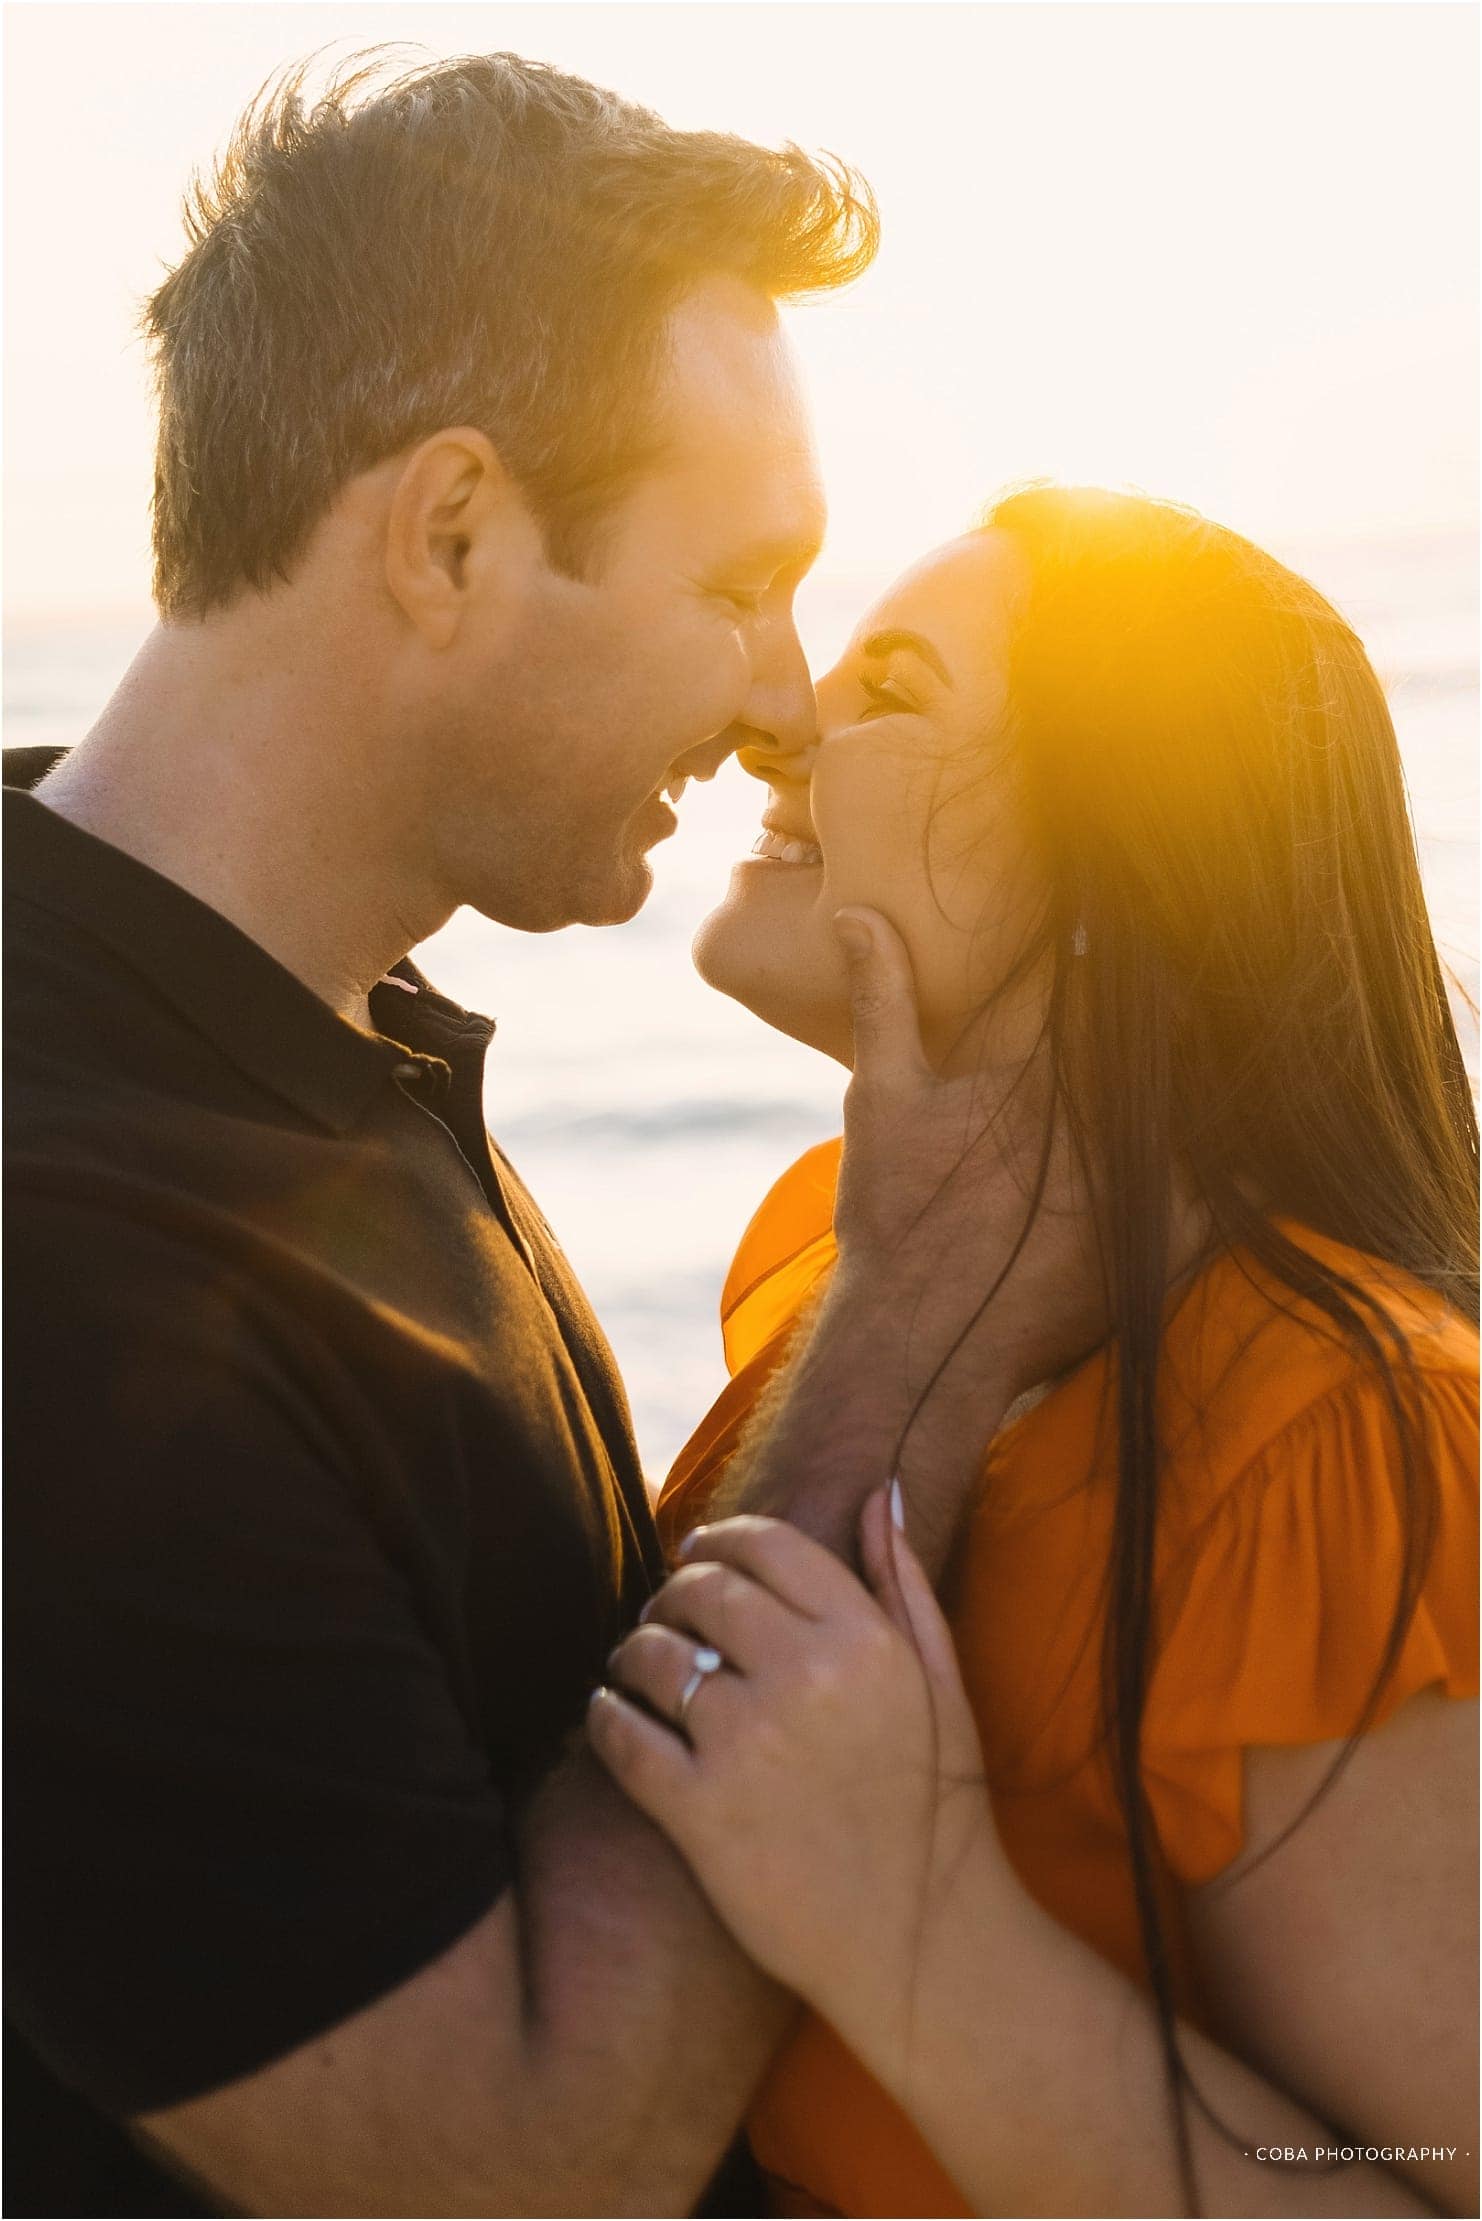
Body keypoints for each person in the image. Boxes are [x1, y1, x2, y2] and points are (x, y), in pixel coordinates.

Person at [3, 57, 1137, 2219]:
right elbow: (512, 2170)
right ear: (448, 534)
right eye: (739, 587)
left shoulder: (306, 1027)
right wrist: (922, 1304)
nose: (787, 700)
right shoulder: (57, 1253)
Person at [591, 487, 1481, 2218]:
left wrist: (914, 1918)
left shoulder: (1334, 1435)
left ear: (1116, 856)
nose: (783, 720)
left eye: (897, 688)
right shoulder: (831, 1285)